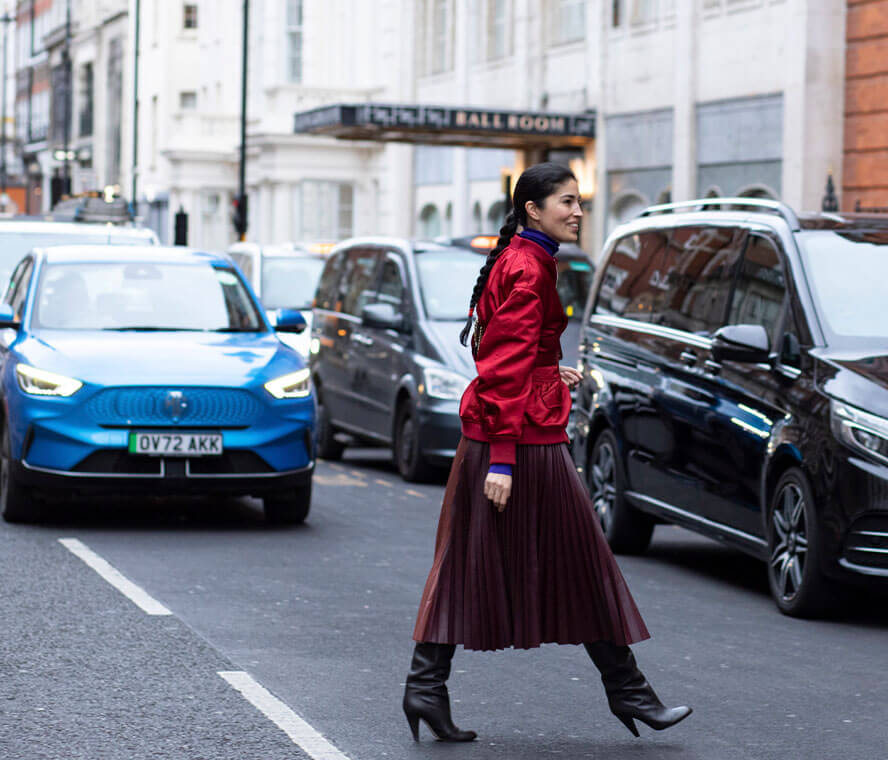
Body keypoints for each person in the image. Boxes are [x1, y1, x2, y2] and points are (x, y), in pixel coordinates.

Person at [402, 162, 692, 743]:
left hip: (507, 433)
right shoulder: (530, 268)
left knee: (467, 561)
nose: (577, 211)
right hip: (519, 444)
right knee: (580, 561)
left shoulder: (523, 260)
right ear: (532, 209)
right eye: (566, 201)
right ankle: (628, 692)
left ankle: (425, 689)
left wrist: (545, 367)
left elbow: (507, 354)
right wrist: (504, 461)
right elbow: (499, 368)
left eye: (579, 201)